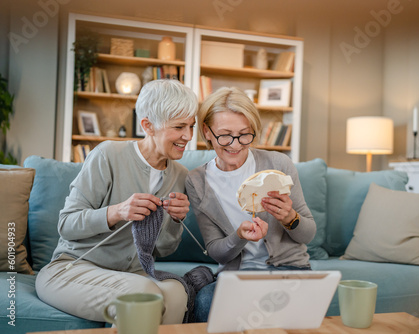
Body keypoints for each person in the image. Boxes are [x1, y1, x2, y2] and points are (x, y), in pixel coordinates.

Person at [35, 79, 198, 324]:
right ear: (148, 126)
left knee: (176, 293)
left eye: (191, 126)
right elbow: (66, 224)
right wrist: (117, 212)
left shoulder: (181, 175)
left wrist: (176, 221)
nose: (188, 136)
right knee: (144, 294)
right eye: (179, 127)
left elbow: (162, 250)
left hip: (132, 273)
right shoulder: (108, 155)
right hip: (72, 268)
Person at [185, 87, 316, 322]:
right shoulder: (197, 181)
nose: (235, 145)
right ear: (207, 131)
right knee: (204, 301)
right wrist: (239, 236)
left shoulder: (278, 164)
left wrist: (290, 218)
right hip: (237, 275)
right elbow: (217, 251)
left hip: (288, 270)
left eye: (244, 134)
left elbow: (308, 235)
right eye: (224, 135)